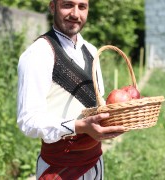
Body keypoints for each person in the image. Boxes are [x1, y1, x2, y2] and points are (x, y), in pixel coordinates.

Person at [17, 0, 125, 179]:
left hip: (94, 163)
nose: (75, 14)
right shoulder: (39, 53)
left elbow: (99, 104)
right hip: (58, 169)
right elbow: (28, 121)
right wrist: (79, 126)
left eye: (82, 7)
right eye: (68, 5)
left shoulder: (91, 51)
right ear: (53, 7)